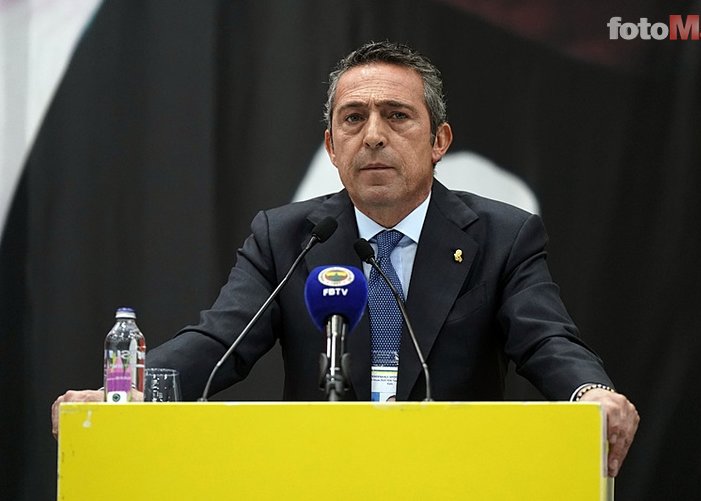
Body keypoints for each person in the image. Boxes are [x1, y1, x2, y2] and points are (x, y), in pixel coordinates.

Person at [52, 41, 638, 476]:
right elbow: (220, 341)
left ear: (439, 141)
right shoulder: (287, 237)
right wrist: (124, 396)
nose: (374, 135)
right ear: (332, 147)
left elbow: (546, 340)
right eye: (354, 119)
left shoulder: (501, 236)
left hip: (455, 474)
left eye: (397, 115)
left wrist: (590, 393)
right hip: (320, 475)